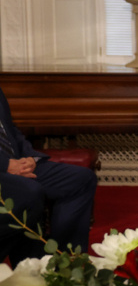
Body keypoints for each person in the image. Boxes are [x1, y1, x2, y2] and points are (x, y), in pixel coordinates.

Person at [0, 88, 97, 264]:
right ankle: (30, 266)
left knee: (81, 179)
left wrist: (31, 157)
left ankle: (64, 262)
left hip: (15, 162)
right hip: (3, 170)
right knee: (30, 191)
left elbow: (9, 129)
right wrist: (6, 165)